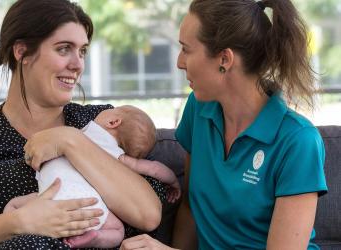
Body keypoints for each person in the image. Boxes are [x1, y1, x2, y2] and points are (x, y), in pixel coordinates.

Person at [0, 0, 165, 249]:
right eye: (64, 49)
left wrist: (69, 140)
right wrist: (17, 222)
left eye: (82, 51)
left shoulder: (102, 124)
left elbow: (148, 214)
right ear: (21, 52)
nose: (77, 64)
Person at [120, 0, 327, 249]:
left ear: (224, 59)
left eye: (186, 49)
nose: (179, 62)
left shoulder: (298, 141)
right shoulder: (199, 110)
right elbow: (190, 208)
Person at [5, 105, 181, 248]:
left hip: (49, 196)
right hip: (85, 204)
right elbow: (154, 169)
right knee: (117, 231)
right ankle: (94, 237)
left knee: (14, 204)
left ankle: (11, 224)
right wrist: (173, 181)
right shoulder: (118, 156)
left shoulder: (75, 132)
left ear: (113, 121)